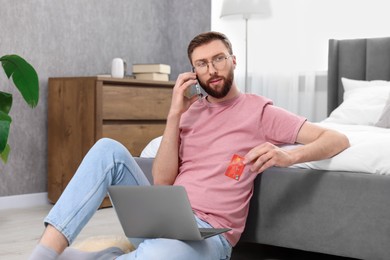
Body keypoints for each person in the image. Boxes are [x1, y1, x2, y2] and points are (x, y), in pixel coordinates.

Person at [29, 31, 349, 260]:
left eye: (219, 59)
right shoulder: (189, 114)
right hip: (164, 216)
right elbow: (162, 181)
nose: (212, 69)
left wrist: (287, 156)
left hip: (210, 236)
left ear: (233, 60)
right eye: (202, 64)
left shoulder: (260, 111)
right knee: (106, 149)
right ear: (193, 71)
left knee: (160, 254)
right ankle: (45, 253)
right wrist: (174, 113)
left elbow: (336, 139)